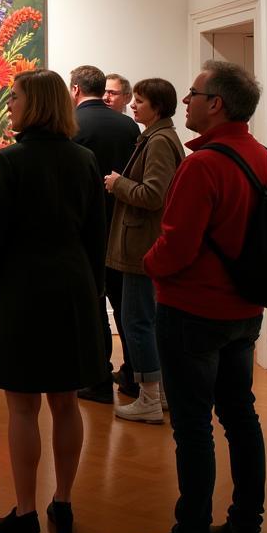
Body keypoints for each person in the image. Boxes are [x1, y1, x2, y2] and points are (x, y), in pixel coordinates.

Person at [125, 60, 267, 533]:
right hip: (244, 312)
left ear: (218, 105)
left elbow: (177, 247)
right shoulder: (261, 157)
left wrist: (147, 264)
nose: (185, 101)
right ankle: (245, 529)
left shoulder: (203, 165)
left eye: (193, 94)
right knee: (241, 417)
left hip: (192, 313)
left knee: (193, 428)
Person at [0, 70, 108, 533]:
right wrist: (94, 294)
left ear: (36, 104)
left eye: (16, 97)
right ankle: (62, 502)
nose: (9, 105)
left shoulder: (11, 161)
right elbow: (96, 238)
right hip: (71, 288)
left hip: (22, 290)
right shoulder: (86, 160)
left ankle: (25, 513)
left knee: (22, 407)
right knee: (66, 402)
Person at [103, 78, 184, 424]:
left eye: (140, 101)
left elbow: (154, 194)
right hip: (141, 241)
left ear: (158, 107)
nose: (133, 106)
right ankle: (158, 392)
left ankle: (149, 396)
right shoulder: (156, 137)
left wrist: (117, 183)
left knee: (137, 321)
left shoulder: (160, 142)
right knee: (143, 320)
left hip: (141, 245)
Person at [70, 64, 141, 403]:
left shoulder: (72, 125)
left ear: (75, 90)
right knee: (127, 308)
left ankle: (98, 380)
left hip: (87, 230)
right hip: (124, 227)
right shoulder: (128, 125)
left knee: (94, 307)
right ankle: (134, 376)